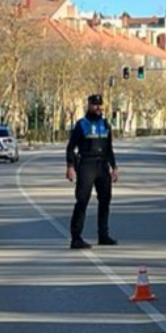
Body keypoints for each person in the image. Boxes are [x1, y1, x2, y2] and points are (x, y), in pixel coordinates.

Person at [66, 94, 119, 249]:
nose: (98, 108)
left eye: (100, 105)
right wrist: (70, 166)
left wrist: (114, 167)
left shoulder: (105, 124)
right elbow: (71, 148)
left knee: (105, 200)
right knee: (82, 200)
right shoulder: (82, 124)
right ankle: (76, 237)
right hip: (86, 164)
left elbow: (109, 148)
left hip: (102, 165)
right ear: (88, 105)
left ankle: (103, 235)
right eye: (95, 105)